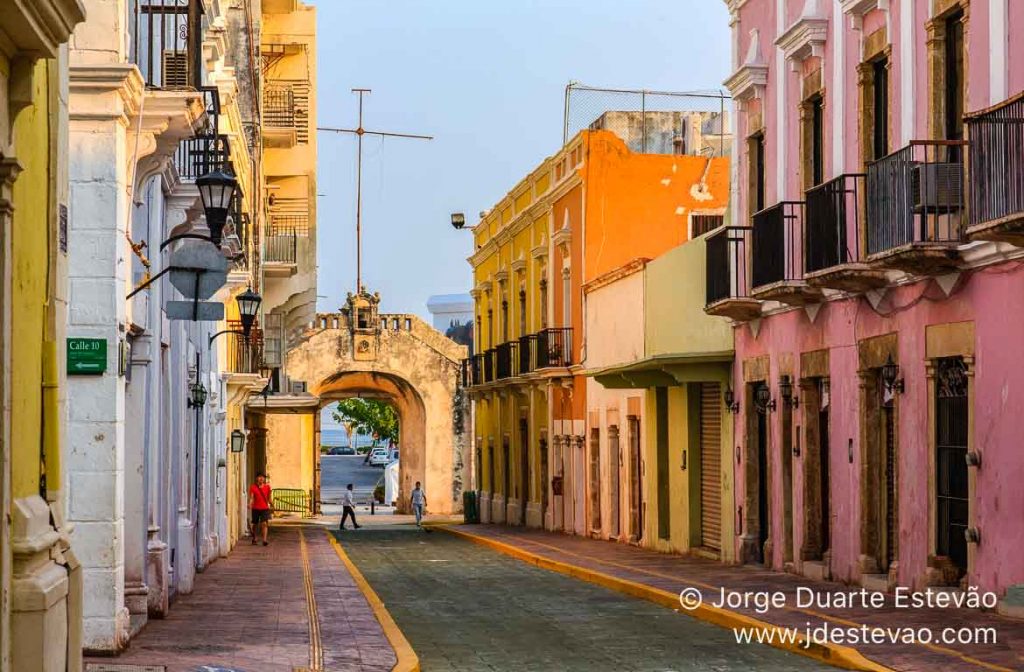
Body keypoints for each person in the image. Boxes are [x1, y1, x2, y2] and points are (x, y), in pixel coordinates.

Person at [248, 473, 273, 546]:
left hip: (264, 508)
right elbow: (252, 497)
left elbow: (269, 498)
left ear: (264, 479)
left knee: (264, 523)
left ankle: (264, 540)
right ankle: (254, 538)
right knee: (255, 524)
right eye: (259, 477)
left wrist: (272, 504)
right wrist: (250, 504)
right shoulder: (253, 487)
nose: (261, 478)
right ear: (257, 478)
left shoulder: (267, 487)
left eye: (262, 477)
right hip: (255, 508)